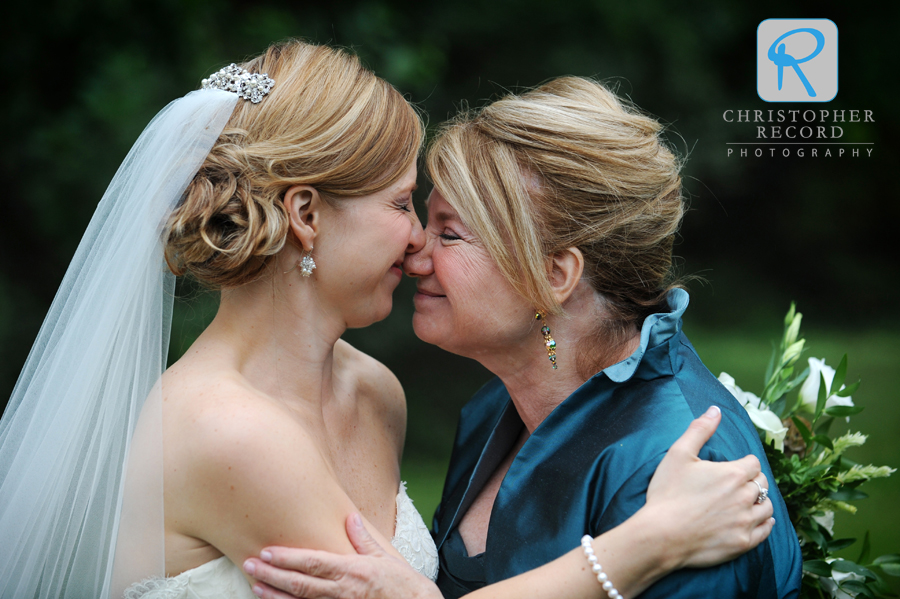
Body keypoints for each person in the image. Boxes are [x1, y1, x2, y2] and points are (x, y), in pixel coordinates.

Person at [0, 42, 773, 599]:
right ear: (305, 214)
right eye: (404, 206)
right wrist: (637, 550)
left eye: (441, 223)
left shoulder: (375, 392)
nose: (415, 243)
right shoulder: (232, 430)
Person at [245, 77, 803, 599]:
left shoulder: (679, 474)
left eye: (450, 233)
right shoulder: (495, 406)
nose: (415, 251)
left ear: (555, 276)